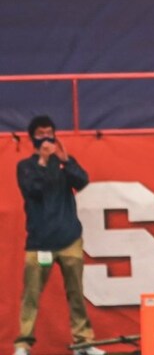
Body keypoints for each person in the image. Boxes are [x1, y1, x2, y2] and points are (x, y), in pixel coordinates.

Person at [14, 115, 105, 355]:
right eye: (41, 133)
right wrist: (43, 160)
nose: (46, 137)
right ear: (31, 137)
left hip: (69, 239)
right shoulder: (26, 167)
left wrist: (66, 160)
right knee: (31, 296)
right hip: (39, 242)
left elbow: (83, 181)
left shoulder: (64, 163)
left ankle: (83, 343)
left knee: (76, 293)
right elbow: (32, 189)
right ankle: (23, 345)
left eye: (50, 132)